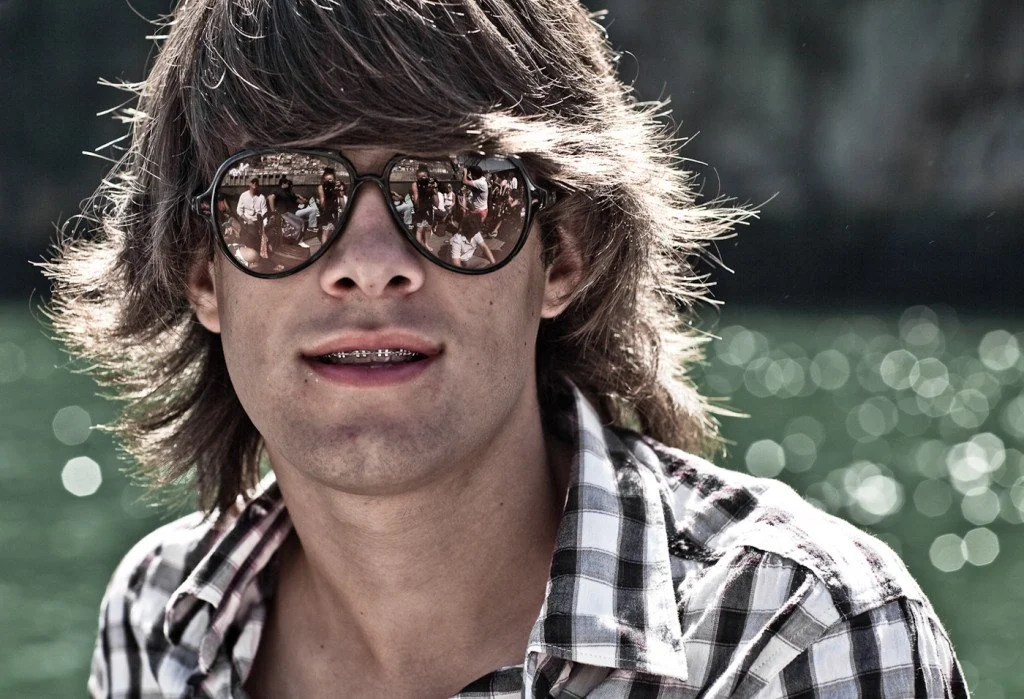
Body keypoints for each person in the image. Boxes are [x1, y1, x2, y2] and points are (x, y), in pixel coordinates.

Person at [46, 1, 967, 697]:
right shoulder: (166, 623)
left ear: (561, 255)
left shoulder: (797, 635)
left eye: (456, 194)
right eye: (283, 201)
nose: (370, 268)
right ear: (202, 273)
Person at [236, 176, 269, 258]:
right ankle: (255, 254)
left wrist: (265, 225)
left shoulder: (261, 197)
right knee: (252, 232)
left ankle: (262, 253)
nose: (255, 183)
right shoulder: (243, 195)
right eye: (252, 181)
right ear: (249, 184)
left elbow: (264, 211)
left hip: (259, 221)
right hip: (248, 221)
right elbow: (239, 210)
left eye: (256, 182)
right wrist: (247, 220)